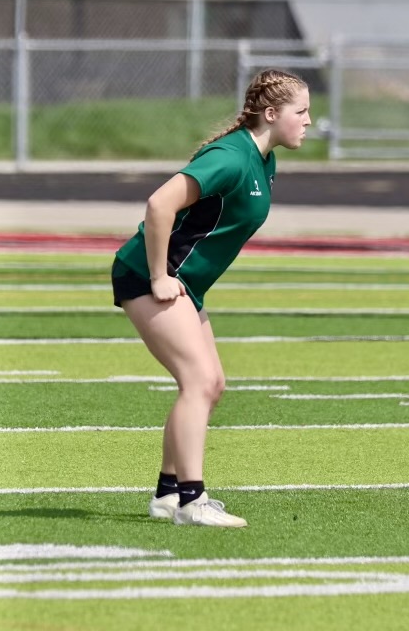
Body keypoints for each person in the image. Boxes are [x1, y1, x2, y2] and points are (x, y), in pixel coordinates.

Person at [111, 69, 311, 527]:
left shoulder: (264, 160)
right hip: (148, 274)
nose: (308, 122)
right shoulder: (232, 157)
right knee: (197, 381)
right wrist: (159, 275)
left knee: (212, 384)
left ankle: (166, 494)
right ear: (272, 113)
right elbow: (160, 204)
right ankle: (191, 502)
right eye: (301, 112)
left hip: (186, 283)